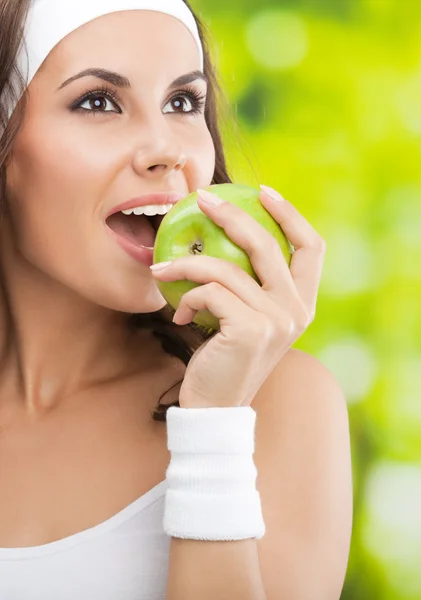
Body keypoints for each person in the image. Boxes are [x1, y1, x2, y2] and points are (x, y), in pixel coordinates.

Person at [0, 1, 353, 599]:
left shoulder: (283, 404)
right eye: (98, 102)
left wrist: (214, 424)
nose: (169, 150)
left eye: (183, 102)